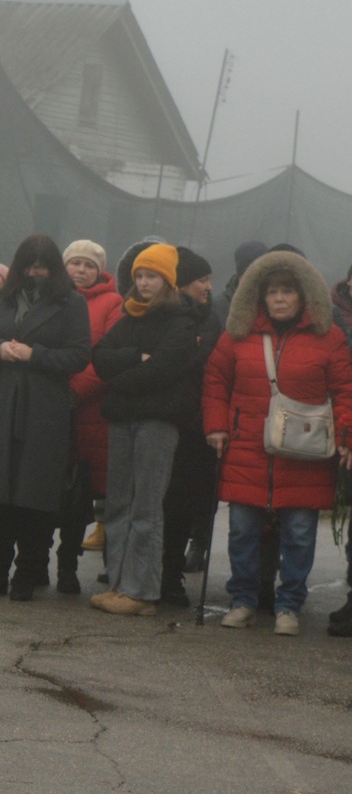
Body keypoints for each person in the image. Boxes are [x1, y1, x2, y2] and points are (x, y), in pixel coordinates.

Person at [202, 250, 352, 636]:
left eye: (288, 291)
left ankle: (289, 606)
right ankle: (243, 601)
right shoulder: (237, 335)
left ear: (304, 296)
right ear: (260, 296)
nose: (280, 298)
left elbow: (345, 390)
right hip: (246, 448)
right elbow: (216, 381)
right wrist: (216, 426)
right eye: (273, 292)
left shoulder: (330, 339)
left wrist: (348, 436)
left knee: (300, 534)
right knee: (241, 530)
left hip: (307, 454)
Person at [0, 235, 92, 601]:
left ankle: (26, 573)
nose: (34, 273)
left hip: (43, 408)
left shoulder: (71, 304)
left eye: (41, 266)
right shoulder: (3, 298)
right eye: (28, 266)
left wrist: (35, 355)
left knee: (33, 496)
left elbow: (79, 355)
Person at [86, 245, 202, 616]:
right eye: (139, 275)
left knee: (146, 507)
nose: (143, 282)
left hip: (157, 423)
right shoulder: (129, 318)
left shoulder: (183, 321)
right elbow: (100, 357)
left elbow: (164, 369)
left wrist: (122, 379)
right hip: (123, 421)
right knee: (119, 504)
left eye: (151, 276)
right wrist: (136, 358)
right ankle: (119, 584)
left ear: (167, 280)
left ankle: (141, 592)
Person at [60, 240, 124, 591]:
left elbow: (106, 356)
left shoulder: (113, 303)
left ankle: (110, 570)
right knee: (58, 494)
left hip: (94, 414)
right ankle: (54, 564)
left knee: (101, 494)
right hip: (55, 410)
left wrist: (74, 391)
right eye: (75, 263)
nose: (81, 270)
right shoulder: (53, 298)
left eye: (88, 265)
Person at [161, 248, 220, 607]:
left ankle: (171, 575)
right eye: (202, 280)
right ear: (181, 283)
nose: (208, 287)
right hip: (163, 420)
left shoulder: (211, 318)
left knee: (182, 507)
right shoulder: (163, 316)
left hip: (194, 428)